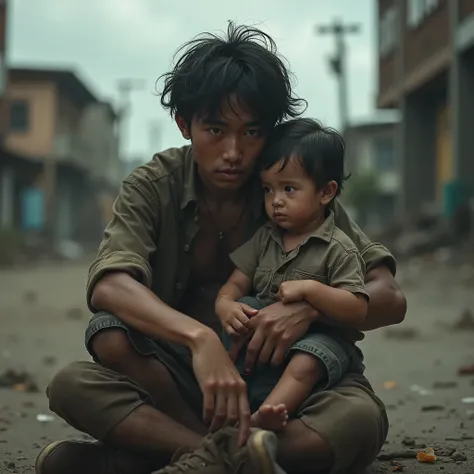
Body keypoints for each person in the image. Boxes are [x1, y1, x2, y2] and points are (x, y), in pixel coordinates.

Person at [35, 22, 407, 474]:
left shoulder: (287, 191)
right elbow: (110, 286)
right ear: (184, 124)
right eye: (215, 129)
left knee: (359, 420)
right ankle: (226, 457)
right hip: (185, 384)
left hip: (289, 386)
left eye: (252, 132)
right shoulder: (154, 185)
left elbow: (389, 295)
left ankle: (161, 459)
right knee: (80, 374)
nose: (234, 151)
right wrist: (199, 338)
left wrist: (311, 307)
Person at [216, 118, 369, 432]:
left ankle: (268, 415)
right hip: (264, 340)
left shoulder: (338, 248)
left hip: (320, 340)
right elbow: (234, 284)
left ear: (326, 192)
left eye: (289, 188)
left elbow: (357, 309)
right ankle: (232, 408)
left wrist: (312, 290)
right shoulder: (265, 238)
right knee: (240, 315)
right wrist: (226, 305)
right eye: (268, 189)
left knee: (306, 362)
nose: (276, 201)